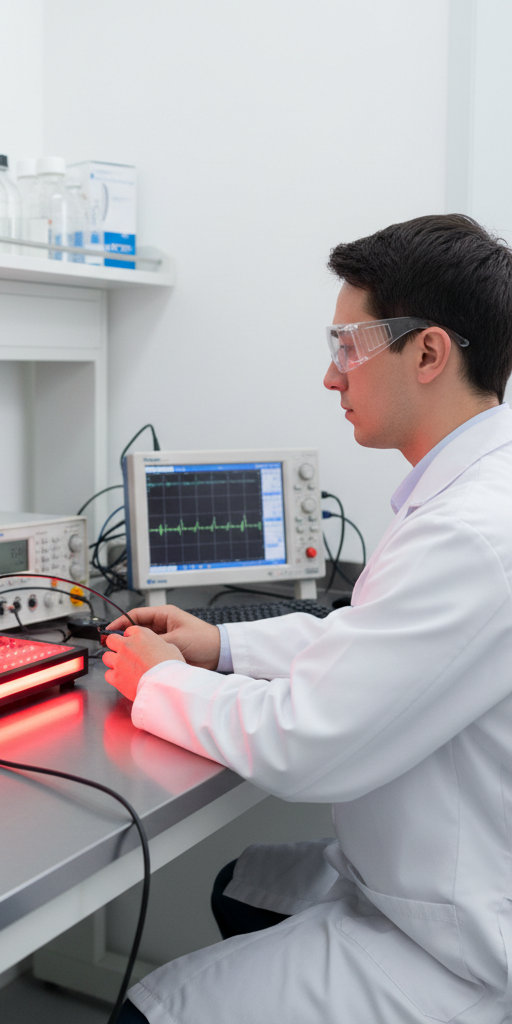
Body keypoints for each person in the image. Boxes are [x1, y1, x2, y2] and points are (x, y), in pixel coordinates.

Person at [103, 214, 512, 1024]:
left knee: (148, 1015)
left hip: (459, 947)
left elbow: (308, 744)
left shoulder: (473, 532)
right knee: (241, 887)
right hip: (431, 880)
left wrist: (162, 684)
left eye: (349, 348)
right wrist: (219, 644)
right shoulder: (472, 492)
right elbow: (375, 638)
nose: (332, 378)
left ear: (429, 353)